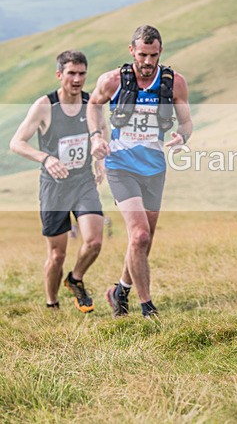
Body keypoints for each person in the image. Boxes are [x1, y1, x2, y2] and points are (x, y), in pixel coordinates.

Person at [87, 25, 193, 318]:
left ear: (161, 53)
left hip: (155, 168)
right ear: (131, 50)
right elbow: (94, 106)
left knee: (143, 240)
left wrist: (182, 137)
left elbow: (186, 123)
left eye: (154, 55)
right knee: (140, 235)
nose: (148, 62)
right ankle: (147, 307)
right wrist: (97, 136)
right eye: (143, 55)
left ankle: (120, 290)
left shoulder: (174, 83)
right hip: (121, 165)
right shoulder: (113, 80)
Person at [9, 50, 105, 312]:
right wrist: (45, 158)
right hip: (54, 187)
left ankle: (75, 279)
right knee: (57, 255)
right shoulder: (45, 105)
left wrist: (100, 160)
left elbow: (100, 131)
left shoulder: (91, 103)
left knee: (94, 242)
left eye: (82, 73)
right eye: (71, 73)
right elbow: (16, 143)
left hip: (83, 181)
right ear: (59, 74)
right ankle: (52, 303)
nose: (77, 79)